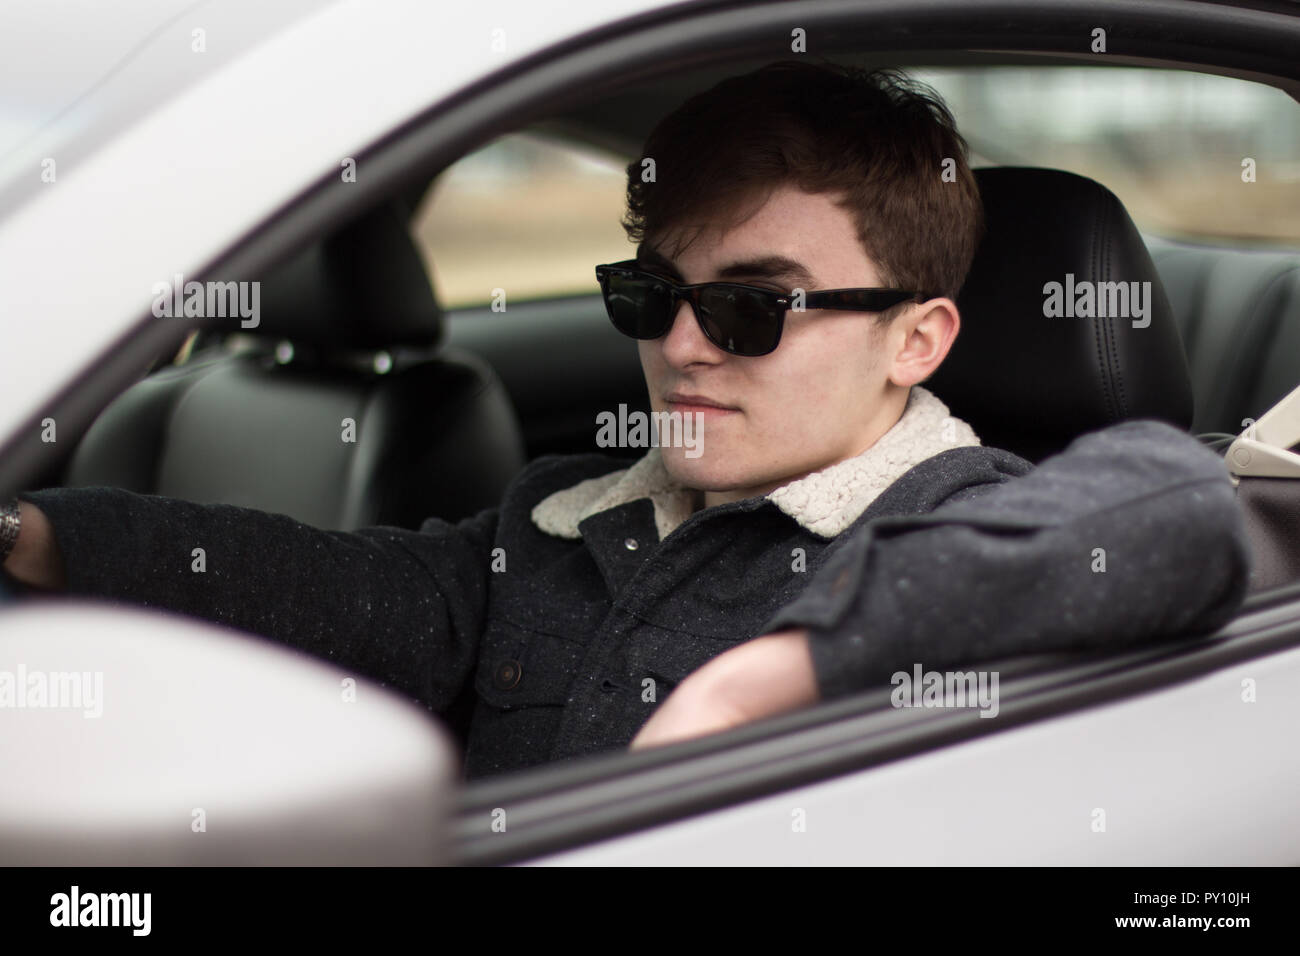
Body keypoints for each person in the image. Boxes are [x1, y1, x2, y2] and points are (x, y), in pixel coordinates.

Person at [0, 62, 1250, 780]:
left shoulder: (956, 515)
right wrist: (38, 538)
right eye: (651, 294)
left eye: (754, 306)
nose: (681, 343)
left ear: (914, 339)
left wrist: (762, 679)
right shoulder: (560, 518)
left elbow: (1175, 505)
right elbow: (331, 585)